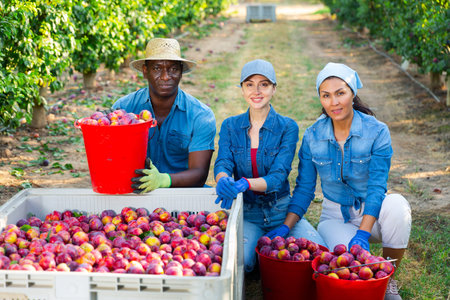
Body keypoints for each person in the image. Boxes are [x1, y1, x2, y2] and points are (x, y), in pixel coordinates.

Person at [272, 62, 411, 300]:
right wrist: (286, 225)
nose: (334, 103)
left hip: (373, 211)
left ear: (353, 93)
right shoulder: (313, 136)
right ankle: (373, 273)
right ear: (320, 99)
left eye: (340, 93)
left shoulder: (377, 132)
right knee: (350, 264)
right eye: (326, 96)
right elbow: (304, 189)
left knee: (398, 208)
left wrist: (364, 233)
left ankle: (390, 278)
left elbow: (377, 187)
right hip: (335, 216)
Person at [213, 59, 326, 274]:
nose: (256, 91)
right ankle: (259, 257)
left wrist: (245, 183)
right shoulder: (231, 125)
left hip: (281, 210)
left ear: (274, 88)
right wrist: (222, 179)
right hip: (247, 212)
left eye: (264, 84)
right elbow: (223, 162)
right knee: (240, 264)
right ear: (242, 89)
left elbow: (277, 177)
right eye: (249, 84)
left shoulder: (287, 127)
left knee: (318, 256)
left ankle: (267, 255)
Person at [112, 38, 216, 193]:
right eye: (157, 68)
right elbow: (111, 161)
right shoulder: (124, 110)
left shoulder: (200, 116)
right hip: (135, 192)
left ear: (181, 72)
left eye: (173, 69)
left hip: (181, 193)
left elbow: (199, 174)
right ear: (145, 71)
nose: (166, 76)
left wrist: (163, 180)